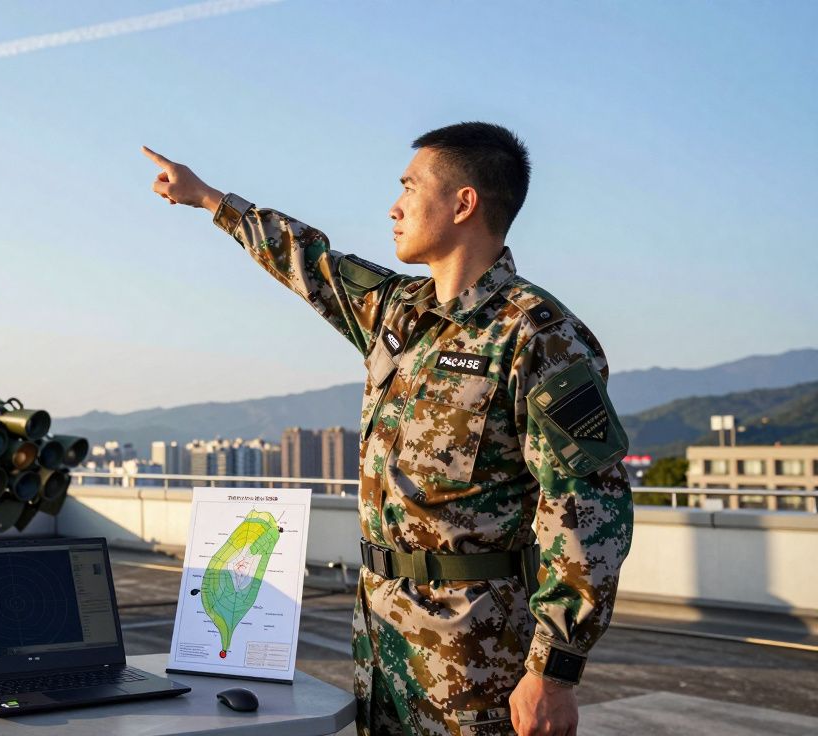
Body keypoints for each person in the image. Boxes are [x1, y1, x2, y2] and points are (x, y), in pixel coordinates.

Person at [142, 122, 633, 736]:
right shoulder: (398, 312)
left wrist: (554, 671)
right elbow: (310, 260)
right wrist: (211, 199)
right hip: (380, 639)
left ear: (463, 203)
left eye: (409, 187)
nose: (394, 207)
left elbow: (588, 506)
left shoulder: (540, 336)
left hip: (473, 657)